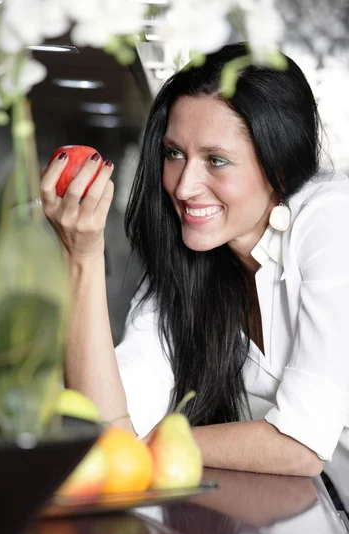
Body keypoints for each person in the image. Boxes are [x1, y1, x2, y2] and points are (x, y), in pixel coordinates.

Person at [40, 43, 349, 497]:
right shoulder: (188, 263)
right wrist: (81, 255)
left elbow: (299, 445)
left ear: (279, 166)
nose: (183, 187)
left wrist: (150, 445)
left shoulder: (332, 220)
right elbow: (103, 430)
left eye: (216, 160)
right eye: (174, 154)